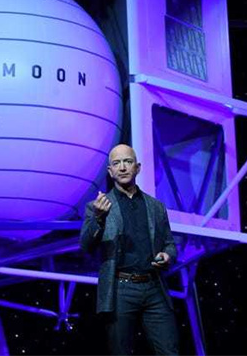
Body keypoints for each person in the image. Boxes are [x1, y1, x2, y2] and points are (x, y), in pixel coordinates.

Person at [80, 144, 179, 355]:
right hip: (120, 289)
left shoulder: (156, 206)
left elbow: (170, 243)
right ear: (110, 171)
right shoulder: (97, 206)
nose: (123, 167)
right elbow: (86, 246)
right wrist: (98, 218)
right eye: (117, 163)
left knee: (169, 351)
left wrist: (167, 255)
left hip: (154, 286)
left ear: (137, 167)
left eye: (127, 162)